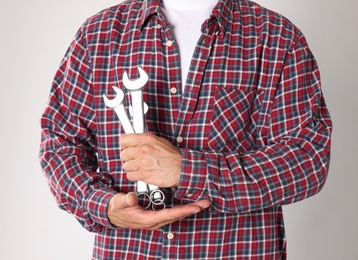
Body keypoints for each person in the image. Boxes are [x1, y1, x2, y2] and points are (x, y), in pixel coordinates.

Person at [39, 0, 332, 259]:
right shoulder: (98, 35)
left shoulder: (277, 38)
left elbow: (308, 160)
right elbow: (60, 144)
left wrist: (185, 169)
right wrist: (104, 206)